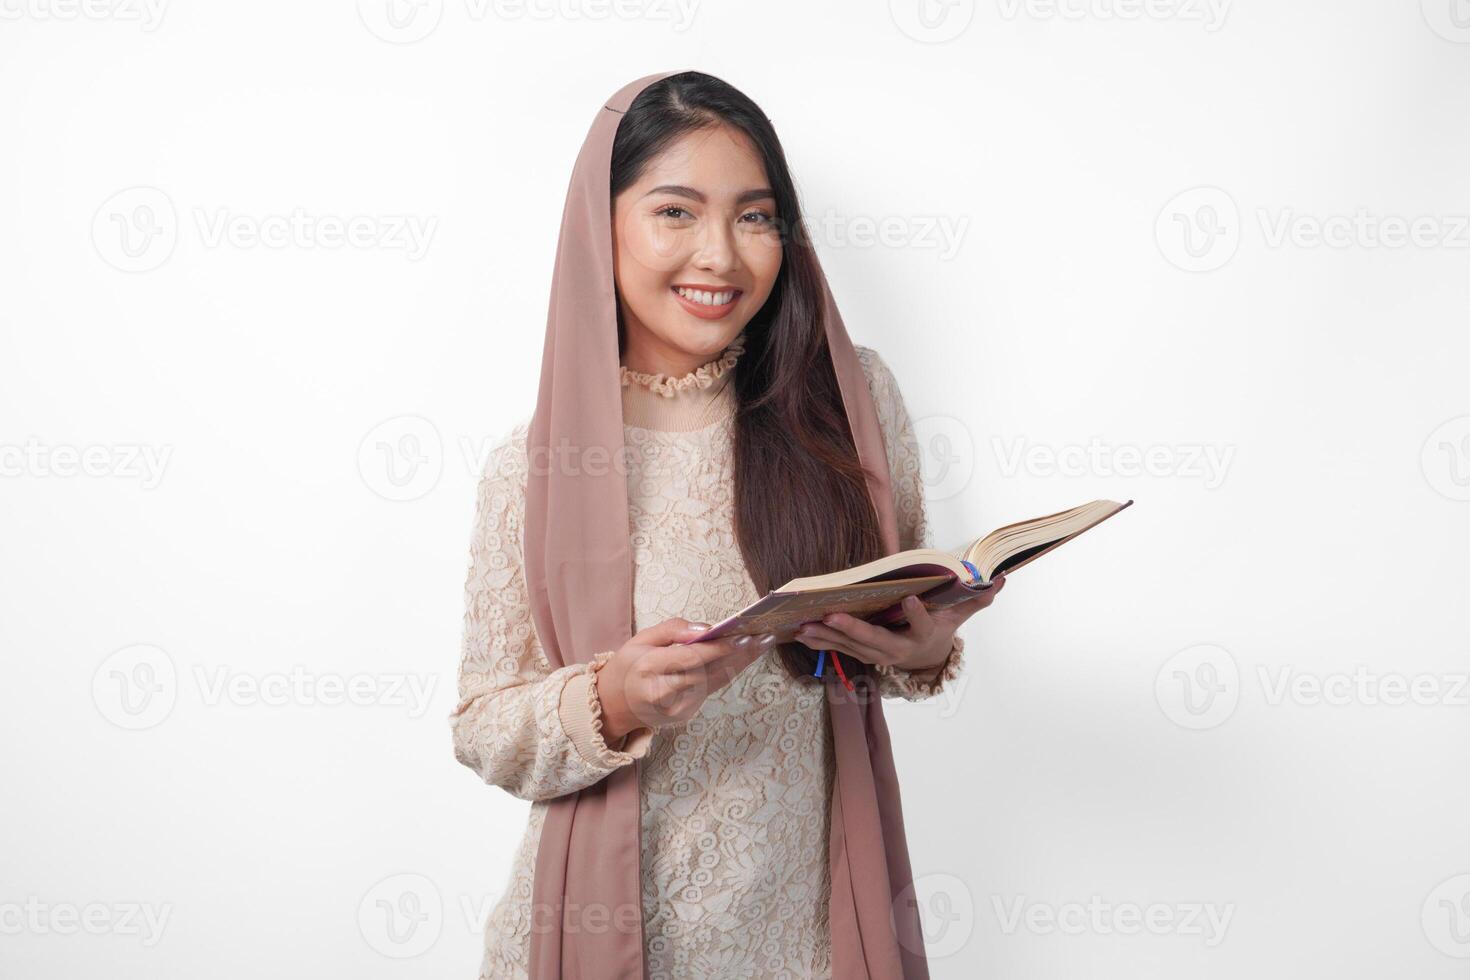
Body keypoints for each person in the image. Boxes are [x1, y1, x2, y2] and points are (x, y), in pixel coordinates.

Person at [450, 69, 1005, 980]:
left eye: (754, 217)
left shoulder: (848, 407)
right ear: (603, 225)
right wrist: (614, 697)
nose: (720, 255)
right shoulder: (536, 466)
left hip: (809, 933)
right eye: (676, 212)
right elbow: (482, 725)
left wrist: (921, 651)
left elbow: (886, 633)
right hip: (608, 933)